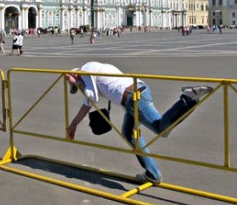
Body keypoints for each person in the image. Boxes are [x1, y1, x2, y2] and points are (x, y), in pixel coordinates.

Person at [66, 61, 213, 184]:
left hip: (133, 97)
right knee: (129, 134)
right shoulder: (96, 67)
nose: (79, 88)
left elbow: (92, 98)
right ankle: (153, 174)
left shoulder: (86, 71)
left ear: (76, 75)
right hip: (135, 93)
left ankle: (188, 98)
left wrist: (73, 124)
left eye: (77, 85)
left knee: (161, 129)